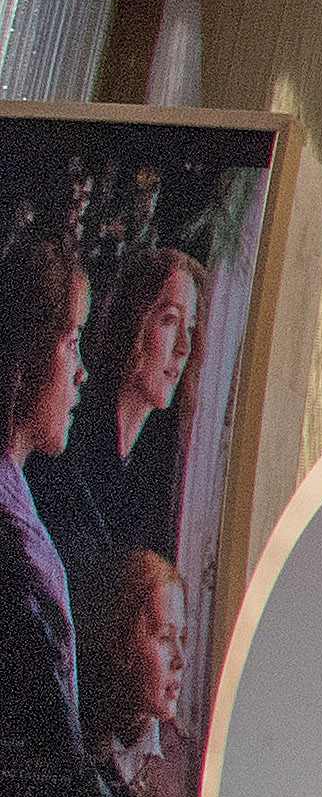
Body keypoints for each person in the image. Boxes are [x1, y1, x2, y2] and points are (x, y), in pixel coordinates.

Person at [0, 232, 93, 797]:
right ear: (33, 351)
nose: (81, 373)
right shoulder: (9, 537)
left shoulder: (24, 500)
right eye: (73, 342)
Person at [41, 246, 198, 580]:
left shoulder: (147, 475)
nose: (184, 347)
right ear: (134, 322)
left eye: (191, 327)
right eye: (170, 320)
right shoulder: (71, 436)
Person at [78, 547, 183, 797]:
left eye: (182, 638)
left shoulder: (193, 766)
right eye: (164, 637)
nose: (180, 660)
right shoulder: (75, 740)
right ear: (121, 642)